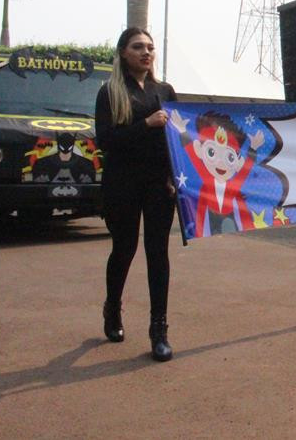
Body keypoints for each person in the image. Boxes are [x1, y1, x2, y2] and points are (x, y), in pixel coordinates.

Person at [95, 28, 178, 362]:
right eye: (138, 47)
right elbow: (106, 141)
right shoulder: (110, 92)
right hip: (122, 183)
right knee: (124, 249)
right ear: (123, 52)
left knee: (158, 253)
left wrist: (176, 176)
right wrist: (146, 124)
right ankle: (112, 309)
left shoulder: (165, 90)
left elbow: (179, 139)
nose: (146, 53)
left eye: (150, 47)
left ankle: (159, 330)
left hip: (160, 184)